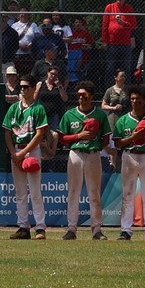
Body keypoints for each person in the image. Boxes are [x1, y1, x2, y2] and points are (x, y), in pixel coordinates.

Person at [57, 82, 110, 240]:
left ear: (92, 97)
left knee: (94, 193)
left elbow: (106, 138)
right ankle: (71, 228)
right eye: (79, 95)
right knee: (73, 192)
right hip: (76, 153)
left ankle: (96, 229)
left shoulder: (99, 115)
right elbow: (62, 138)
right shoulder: (69, 114)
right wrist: (78, 137)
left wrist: (95, 146)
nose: (81, 98)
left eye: (84, 96)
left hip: (93, 154)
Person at [3, 78, 50, 239]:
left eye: (25, 87)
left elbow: (39, 134)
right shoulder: (13, 109)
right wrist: (13, 153)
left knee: (35, 191)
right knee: (20, 191)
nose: (22, 89)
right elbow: (7, 132)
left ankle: (40, 227)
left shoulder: (38, 108)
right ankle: (23, 227)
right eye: (20, 87)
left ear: (32, 89)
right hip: (16, 150)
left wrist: (21, 154)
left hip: (31, 151)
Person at [112, 89, 145, 240]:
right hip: (129, 156)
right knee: (127, 194)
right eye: (132, 99)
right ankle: (126, 230)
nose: (135, 102)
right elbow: (118, 143)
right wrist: (133, 138)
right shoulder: (123, 120)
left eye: (138, 99)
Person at [100, 0, 137, 86]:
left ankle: (126, 90)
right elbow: (105, 25)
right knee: (110, 68)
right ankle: (108, 91)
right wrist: (104, 41)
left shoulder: (129, 8)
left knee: (126, 68)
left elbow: (133, 26)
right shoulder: (109, 7)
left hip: (125, 44)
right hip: (112, 44)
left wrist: (123, 23)